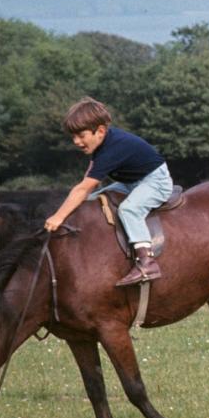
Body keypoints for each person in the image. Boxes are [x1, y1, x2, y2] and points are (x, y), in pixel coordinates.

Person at [44, 97, 174, 287]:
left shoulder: (113, 149)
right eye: (73, 137)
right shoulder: (100, 144)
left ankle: (147, 263)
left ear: (101, 131)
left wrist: (58, 216)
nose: (76, 142)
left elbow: (82, 188)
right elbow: (88, 181)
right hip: (131, 183)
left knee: (128, 209)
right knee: (93, 199)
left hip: (155, 182)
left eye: (81, 135)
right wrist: (82, 197)